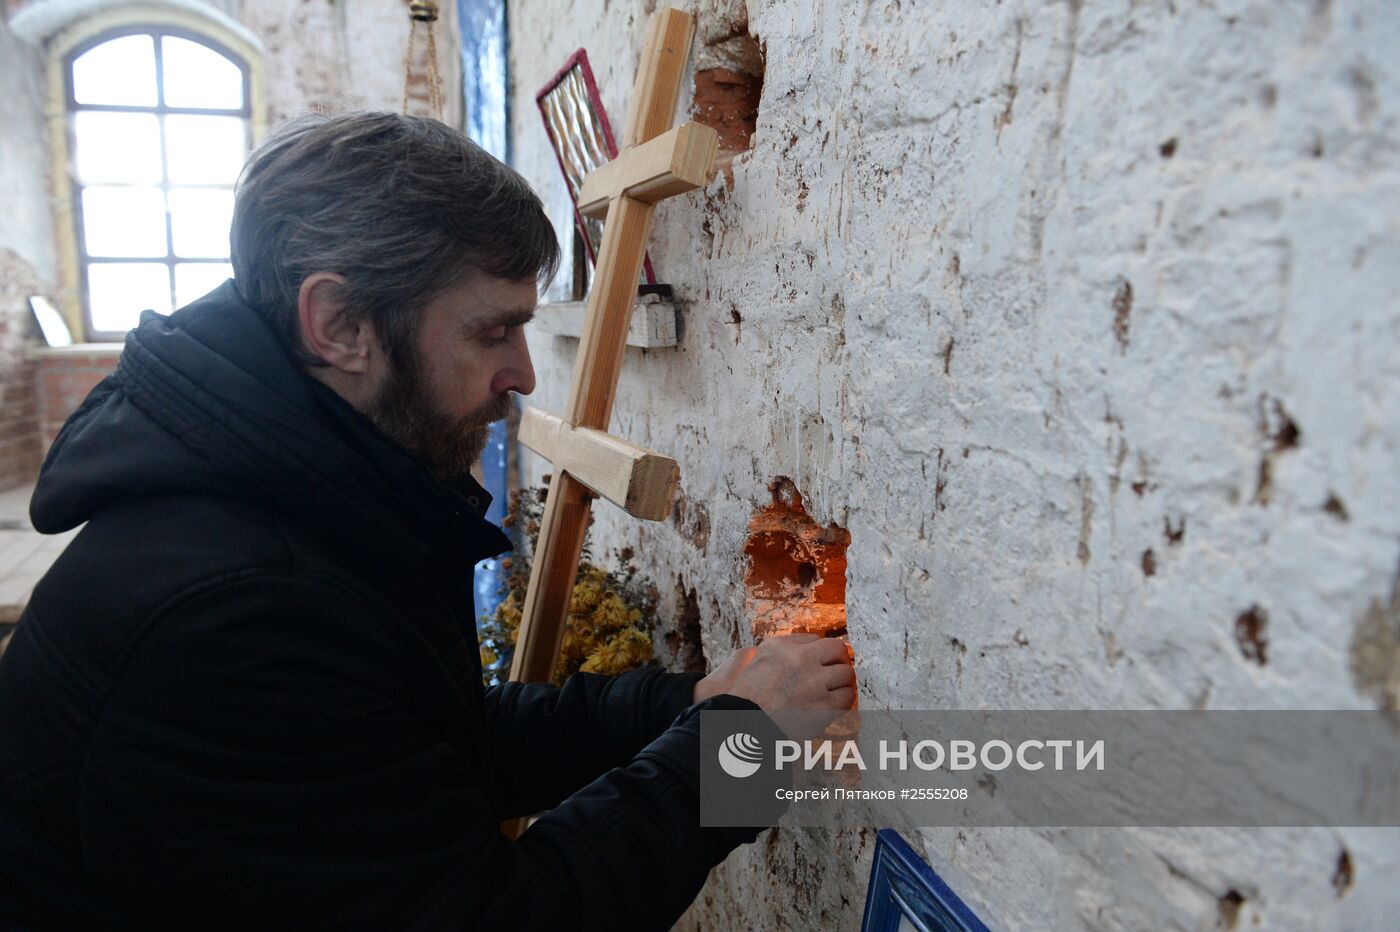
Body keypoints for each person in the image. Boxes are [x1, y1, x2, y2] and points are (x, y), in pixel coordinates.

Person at [0, 112, 854, 930]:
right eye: (493, 332)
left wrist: (684, 705)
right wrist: (740, 753)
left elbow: (423, 747)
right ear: (340, 325)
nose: (523, 373)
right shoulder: (236, 609)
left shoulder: (293, 497)